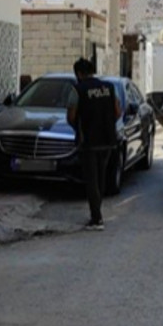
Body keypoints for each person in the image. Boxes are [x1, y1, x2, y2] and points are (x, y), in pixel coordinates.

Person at [66, 58, 120, 231]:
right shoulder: (108, 88)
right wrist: (107, 124)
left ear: (78, 73)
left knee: (91, 180)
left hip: (88, 142)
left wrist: (78, 128)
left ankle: (96, 219)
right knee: (101, 177)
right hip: (107, 140)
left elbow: (71, 116)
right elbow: (118, 111)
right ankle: (97, 212)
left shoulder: (77, 89)